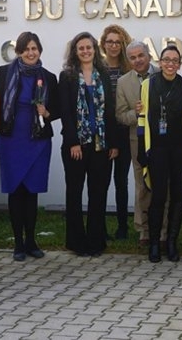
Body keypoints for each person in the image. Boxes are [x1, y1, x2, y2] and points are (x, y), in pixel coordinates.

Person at [0, 32, 59, 262]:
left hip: (37, 140)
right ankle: (18, 244)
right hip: (11, 140)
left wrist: (47, 112)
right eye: (26, 49)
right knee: (16, 190)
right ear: (19, 51)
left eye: (35, 48)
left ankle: (31, 240)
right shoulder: (4, 73)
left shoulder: (48, 77)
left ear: (40, 51)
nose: (31, 53)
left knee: (31, 191)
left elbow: (59, 108)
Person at [60, 31, 118, 257]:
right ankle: (76, 241)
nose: (85, 51)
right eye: (81, 48)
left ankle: (96, 241)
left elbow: (110, 110)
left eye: (89, 47)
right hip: (77, 145)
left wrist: (112, 143)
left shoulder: (103, 74)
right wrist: (73, 141)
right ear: (75, 52)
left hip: (100, 144)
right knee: (74, 193)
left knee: (98, 193)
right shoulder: (67, 77)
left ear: (95, 49)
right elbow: (65, 111)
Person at [138, 45, 182, 263]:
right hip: (157, 149)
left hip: (180, 149)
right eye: (166, 60)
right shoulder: (148, 85)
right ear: (160, 61)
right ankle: (155, 243)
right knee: (158, 196)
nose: (170, 64)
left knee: (178, 197)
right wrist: (142, 150)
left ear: (180, 64)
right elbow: (142, 118)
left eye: (175, 60)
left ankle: (172, 243)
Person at [116, 41, 168, 246]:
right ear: (128, 60)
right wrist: (135, 113)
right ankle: (144, 230)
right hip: (137, 140)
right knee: (142, 185)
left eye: (141, 55)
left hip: (163, 140)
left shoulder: (163, 74)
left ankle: (163, 231)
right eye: (133, 57)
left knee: (163, 185)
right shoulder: (123, 82)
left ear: (149, 55)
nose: (138, 60)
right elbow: (120, 115)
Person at [99, 25, 132, 240]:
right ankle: (99, 227)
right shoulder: (97, 69)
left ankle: (122, 226)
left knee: (121, 181)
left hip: (125, 133)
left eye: (117, 42)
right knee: (101, 182)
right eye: (110, 41)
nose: (113, 45)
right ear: (103, 44)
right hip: (102, 133)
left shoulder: (128, 70)